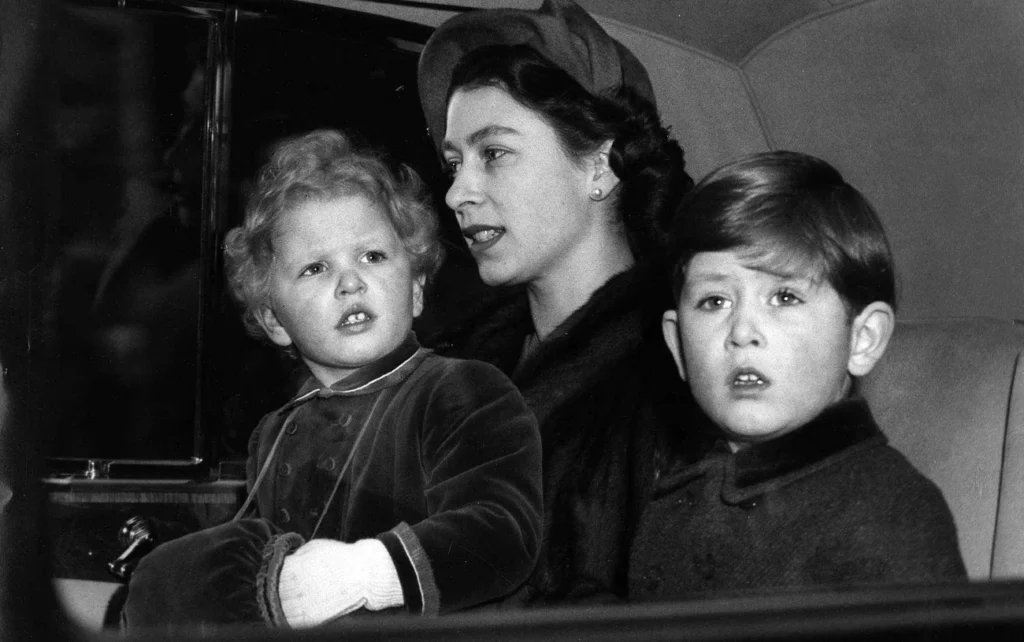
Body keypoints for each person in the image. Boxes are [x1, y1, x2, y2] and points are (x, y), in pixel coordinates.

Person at [123, 129, 543, 629]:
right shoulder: (275, 432)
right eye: (316, 268)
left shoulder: (461, 391)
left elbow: (502, 532)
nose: (350, 282)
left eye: (372, 256)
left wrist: (363, 575)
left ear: (415, 288)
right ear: (275, 320)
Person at [417, 0, 705, 605]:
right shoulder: (458, 374)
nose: (457, 193)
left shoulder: (679, 380)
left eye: (494, 154)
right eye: (454, 163)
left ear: (599, 166)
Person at [630, 151, 967, 601]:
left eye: (785, 297)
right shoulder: (672, 496)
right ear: (678, 347)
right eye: (715, 301)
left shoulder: (892, 515)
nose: (742, 332)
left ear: (862, 339)